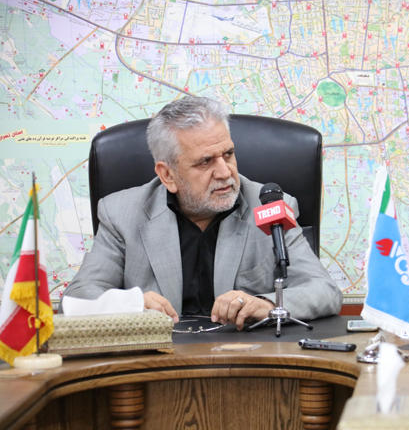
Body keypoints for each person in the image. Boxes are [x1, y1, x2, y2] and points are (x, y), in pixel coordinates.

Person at [65, 97, 342, 329]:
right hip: (159, 361)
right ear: (167, 175)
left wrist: (267, 303)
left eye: (228, 154)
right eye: (205, 162)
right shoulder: (120, 214)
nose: (224, 172)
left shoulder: (270, 207)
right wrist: (132, 304)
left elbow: (324, 291)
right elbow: (78, 298)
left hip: (246, 360)